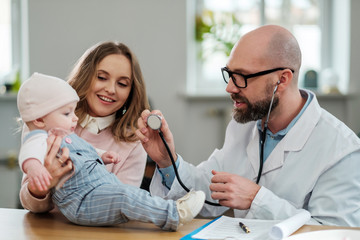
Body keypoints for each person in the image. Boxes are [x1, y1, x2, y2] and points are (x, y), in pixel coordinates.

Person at [135, 25, 360, 227]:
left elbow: (335, 233)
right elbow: (206, 192)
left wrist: (257, 199)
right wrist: (167, 161)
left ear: (282, 80)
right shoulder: (244, 125)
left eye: (241, 76)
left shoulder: (342, 150)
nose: (230, 88)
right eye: (229, 74)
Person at [17, 72, 205, 230]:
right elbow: (28, 155)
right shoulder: (40, 137)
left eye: (122, 83)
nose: (74, 119)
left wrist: (102, 155)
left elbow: (84, 150)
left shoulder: (67, 135)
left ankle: (170, 208)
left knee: (132, 195)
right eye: (67, 114)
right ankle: (174, 213)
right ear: (40, 120)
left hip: (101, 187)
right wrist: (35, 169)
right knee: (125, 197)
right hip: (81, 201)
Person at [19, 41, 150, 213]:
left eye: (122, 84)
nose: (111, 89)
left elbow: (121, 208)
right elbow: (31, 205)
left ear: (131, 92)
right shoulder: (46, 122)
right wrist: (41, 187)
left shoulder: (134, 143)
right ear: (85, 76)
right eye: (102, 77)